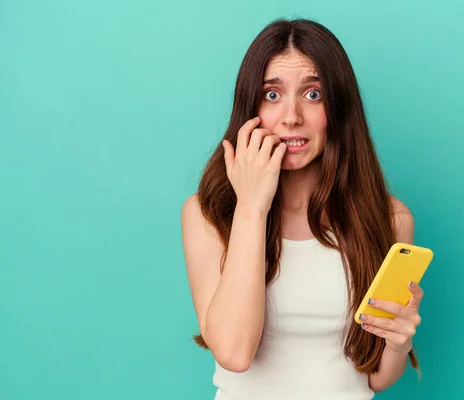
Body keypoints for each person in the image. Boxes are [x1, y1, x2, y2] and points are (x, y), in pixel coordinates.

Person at [181, 18, 424, 400]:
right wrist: (251, 206)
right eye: (272, 95)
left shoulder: (389, 219)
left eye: (313, 95)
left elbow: (374, 377)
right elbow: (233, 352)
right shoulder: (209, 212)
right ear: (250, 106)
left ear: (338, 108)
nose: (291, 116)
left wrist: (397, 343)